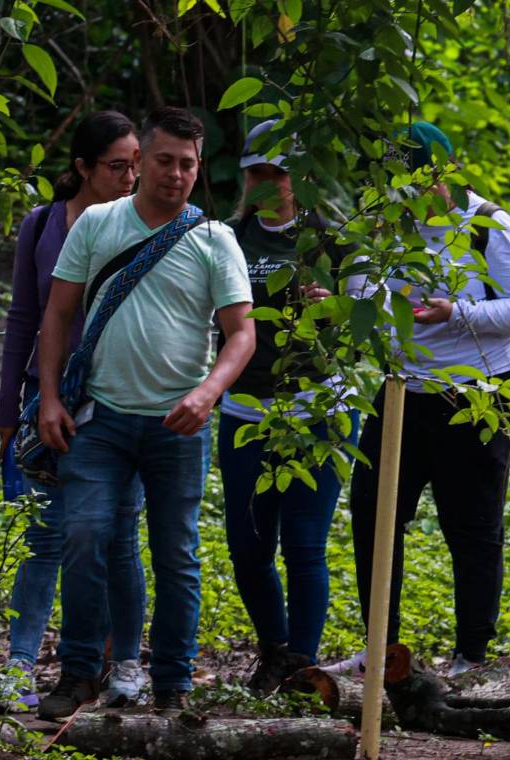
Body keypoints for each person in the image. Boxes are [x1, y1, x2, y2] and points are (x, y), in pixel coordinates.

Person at [35, 107, 255, 717]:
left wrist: (208, 392)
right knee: (83, 536)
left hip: (176, 425)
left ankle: (172, 682)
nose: (176, 173)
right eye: (164, 161)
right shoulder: (97, 224)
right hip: (99, 418)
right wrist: (50, 398)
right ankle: (78, 674)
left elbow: (241, 334)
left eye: (188, 164)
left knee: (176, 552)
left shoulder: (214, 239)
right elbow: (56, 315)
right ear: (140, 161)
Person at [339, 121, 510, 679]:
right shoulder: (382, 225)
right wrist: (348, 307)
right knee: (374, 513)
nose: (404, 195)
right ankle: (380, 646)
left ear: (443, 174)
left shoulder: (487, 225)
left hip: (480, 390)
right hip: (403, 388)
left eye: (414, 182)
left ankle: (471, 657)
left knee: (471, 522)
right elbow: (364, 294)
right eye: (395, 184)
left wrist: (456, 312)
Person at [0, 111, 149, 710]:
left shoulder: (145, 226)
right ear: (82, 167)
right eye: (117, 166)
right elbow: (24, 319)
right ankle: (18, 665)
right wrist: (12, 407)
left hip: (118, 404)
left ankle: (121, 663)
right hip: (49, 399)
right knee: (43, 538)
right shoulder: (42, 226)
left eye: (136, 163)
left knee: (116, 536)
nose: (130, 176)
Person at [219, 120, 359, 695]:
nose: (266, 182)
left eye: (277, 172)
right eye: (256, 172)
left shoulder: (332, 240)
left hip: (318, 408)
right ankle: (273, 650)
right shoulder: (225, 238)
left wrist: (338, 305)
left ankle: (303, 663)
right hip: (247, 409)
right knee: (248, 545)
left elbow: (368, 323)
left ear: (299, 177)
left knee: (305, 546)